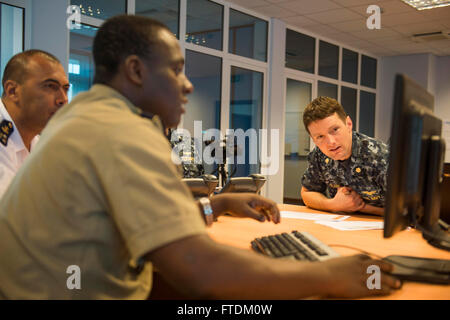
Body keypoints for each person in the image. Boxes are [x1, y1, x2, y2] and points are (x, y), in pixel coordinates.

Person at [0, 15, 400, 300]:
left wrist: (217, 205)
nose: (187, 85)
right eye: (176, 70)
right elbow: (201, 271)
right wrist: (326, 273)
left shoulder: (84, 118)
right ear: (136, 71)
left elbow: (143, 223)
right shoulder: (122, 132)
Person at [301, 97, 388, 216]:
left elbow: (408, 212)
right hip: (342, 226)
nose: (331, 142)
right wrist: (333, 205)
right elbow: (307, 192)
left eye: (335, 130)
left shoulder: (379, 156)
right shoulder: (319, 155)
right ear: (313, 139)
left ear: (348, 124)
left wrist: (362, 207)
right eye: (320, 137)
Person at [0, 50, 69, 198]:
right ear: (12, 91)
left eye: (65, 89)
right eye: (50, 86)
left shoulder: (37, 143)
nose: (63, 99)